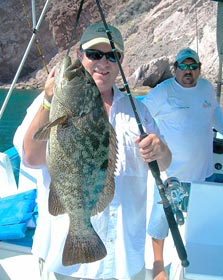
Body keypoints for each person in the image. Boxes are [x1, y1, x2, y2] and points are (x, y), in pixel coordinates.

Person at [13, 22, 171, 280]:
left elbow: (164, 163)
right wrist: (48, 100)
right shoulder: (47, 106)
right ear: (80, 55)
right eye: (94, 54)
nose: (103, 63)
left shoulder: (139, 112)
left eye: (112, 56)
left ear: (120, 61)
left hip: (123, 260)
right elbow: (31, 158)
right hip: (65, 264)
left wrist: (161, 150)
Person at [142, 47, 223, 279]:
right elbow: (141, 114)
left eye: (193, 66)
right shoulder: (163, 92)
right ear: (175, 69)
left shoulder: (207, 88)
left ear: (199, 69)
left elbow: (215, 114)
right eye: (183, 66)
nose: (188, 71)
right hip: (171, 173)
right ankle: (158, 264)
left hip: (203, 172)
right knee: (161, 219)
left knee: (198, 221)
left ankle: (195, 256)